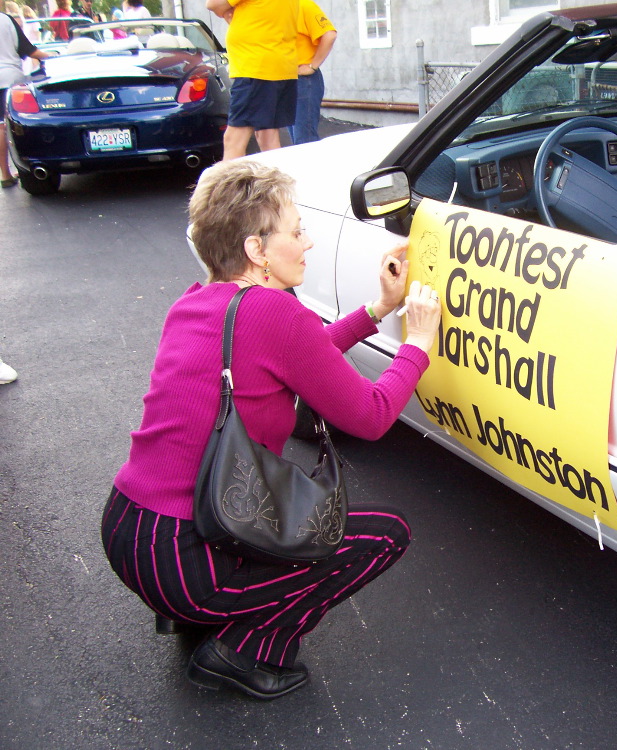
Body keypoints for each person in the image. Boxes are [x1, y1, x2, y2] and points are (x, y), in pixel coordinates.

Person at [100, 159, 442, 700]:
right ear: (258, 250)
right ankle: (241, 651)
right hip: (183, 557)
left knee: (278, 535)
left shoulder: (198, 301)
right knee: (382, 536)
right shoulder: (276, 314)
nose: (307, 242)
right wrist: (418, 344)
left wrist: (379, 309)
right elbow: (373, 415)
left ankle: (189, 611)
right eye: (296, 230)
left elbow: (304, 355)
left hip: (129, 531)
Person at [207, 0, 297, 160]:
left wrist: (228, 12)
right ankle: (275, 184)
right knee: (268, 137)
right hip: (279, 64)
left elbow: (213, 4)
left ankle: (229, 185)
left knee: (234, 139)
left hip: (256, 67)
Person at [1, 7, 48, 187]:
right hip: (9, 77)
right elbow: (28, 50)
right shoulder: (6, 20)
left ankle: (4, 173)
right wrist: (53, 56)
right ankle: (17, 170)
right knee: (9, 125)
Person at [288, 0, 335, 146]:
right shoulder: (278, 10)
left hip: (304, 80)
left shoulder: (303, 5)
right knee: (297, 141)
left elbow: (329, 35)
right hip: (285, 79)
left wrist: (312, 66)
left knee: (305, 141)